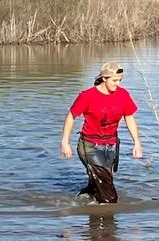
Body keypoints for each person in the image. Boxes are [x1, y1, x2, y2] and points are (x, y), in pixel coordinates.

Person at [61, 60, 143, 204]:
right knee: (109, 195)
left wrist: (137, 142)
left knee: (101, 183)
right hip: (90, 145)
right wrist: (65, 142)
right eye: (114, 80)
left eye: (120, 80)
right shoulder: (87, 96)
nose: (118, 84)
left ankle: (84, 203)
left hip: (111, 145)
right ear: (104, 78)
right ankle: (107, 212)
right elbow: (71, 116)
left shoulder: (123, 94)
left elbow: (129, 117)